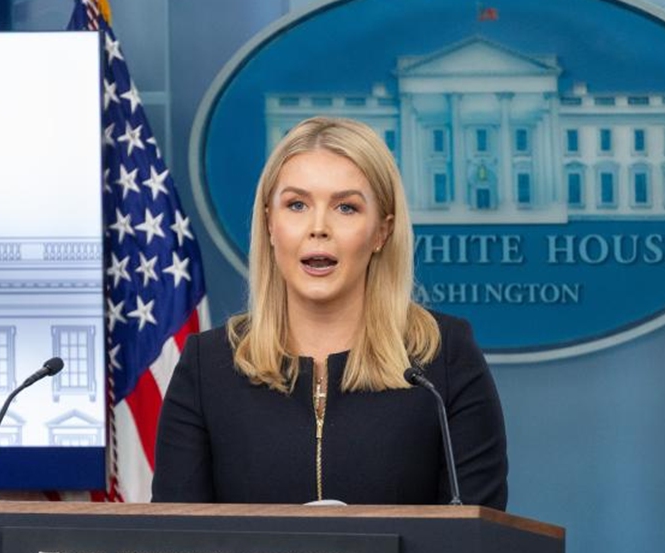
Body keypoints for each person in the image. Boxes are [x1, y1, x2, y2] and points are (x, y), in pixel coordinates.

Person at [152, 116, 507, 509]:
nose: (318, 227)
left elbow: (475, 547)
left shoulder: (443, 361)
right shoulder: (209, 367)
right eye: (297, 205)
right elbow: (178, 549)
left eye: (346, 207)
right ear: (270, 223)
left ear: (382, 231)